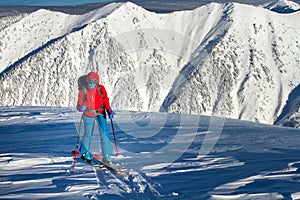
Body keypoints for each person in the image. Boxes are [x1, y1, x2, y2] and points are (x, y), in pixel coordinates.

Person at [76, 71, 114, 164]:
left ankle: (106, 155)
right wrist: (81, 107)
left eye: (94, 81)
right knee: (88, 134)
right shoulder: (83, 90)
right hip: (88, 114)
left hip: (101, 113)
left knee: (104, 133)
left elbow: (105, 100)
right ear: (87, 81)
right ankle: (84, 152)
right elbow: (79, 104)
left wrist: (109, 110)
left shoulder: (101, 89)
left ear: (97, 81)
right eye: (90, 81)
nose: (92, 84)